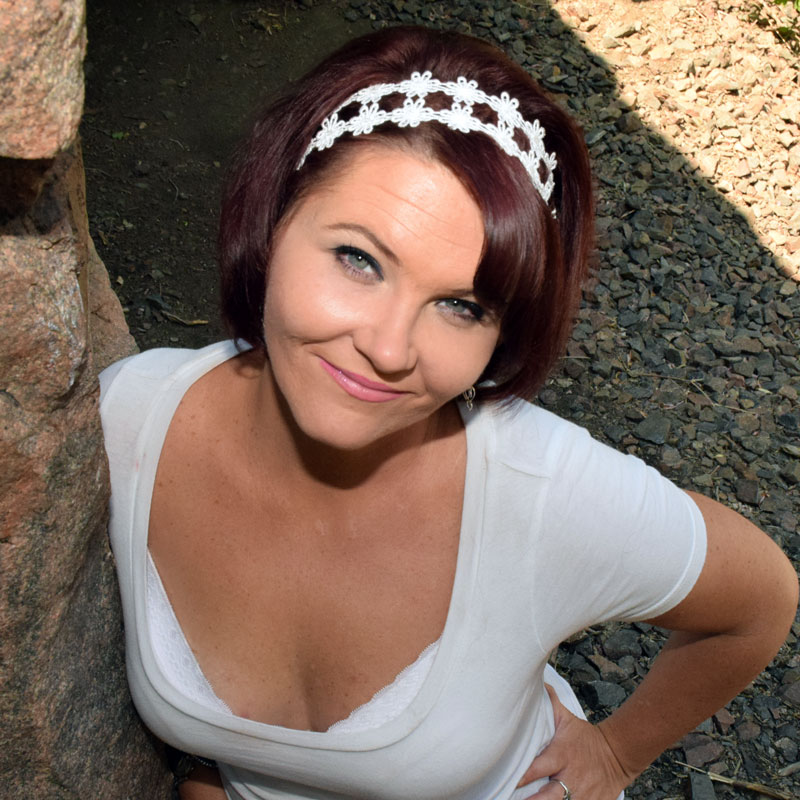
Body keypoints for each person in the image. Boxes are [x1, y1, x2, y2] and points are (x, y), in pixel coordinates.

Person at [99, 25, 798, 800]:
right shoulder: (128, 423)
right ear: (272, 222)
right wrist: (207, 767)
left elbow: (759, 601)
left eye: (461, 306)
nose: (391, 348)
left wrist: (614, 755)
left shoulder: (545, 493)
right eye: (358, 259)